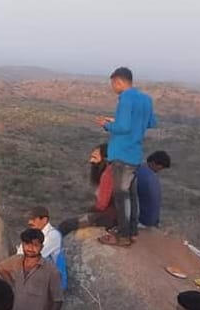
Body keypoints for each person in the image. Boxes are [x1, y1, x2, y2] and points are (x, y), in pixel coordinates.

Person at [95, 66, 157, 247]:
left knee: (121, 196)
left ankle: (122, 236)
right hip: (135, 155)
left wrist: (106, 125)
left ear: (118, 81)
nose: (112, 88)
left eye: (113, 84)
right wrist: (122, 122)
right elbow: (151, 122)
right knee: (131, 194)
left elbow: (123, 128)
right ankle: (132, 231)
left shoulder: (125, 98)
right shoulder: (146, 99)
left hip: (122, 154)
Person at [0, 229, 63, 310]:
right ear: (22, 244)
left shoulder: (51, 271)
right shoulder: (16, 261)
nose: (31, 248)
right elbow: (1, 268)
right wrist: (12, 284)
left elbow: (57, 301)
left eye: (35, 245)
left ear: (41, 246)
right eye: (27, 244)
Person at [58, 144, 118, 236]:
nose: (91, 161)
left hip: (111, 216)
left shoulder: (108, 175)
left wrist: (92, 210)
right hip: (117, 214)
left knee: (65, 225)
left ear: (105, 159)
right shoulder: (117, 171)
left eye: (95, 157)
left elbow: (102, 205)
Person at [17, 207, 66, 290]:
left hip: (53, 282)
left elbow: (34, 256)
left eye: (33, 219)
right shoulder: (32, 234)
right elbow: (20, 255)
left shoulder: (53, 235)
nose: (30, 222)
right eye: (29, 219)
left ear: (44, 220)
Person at [137, 150, 171, 229]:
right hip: (153, 221)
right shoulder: (154, 178)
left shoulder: (138, 172)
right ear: (153, 163)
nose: (158, 171)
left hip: (142, 222)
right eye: (159, 169)